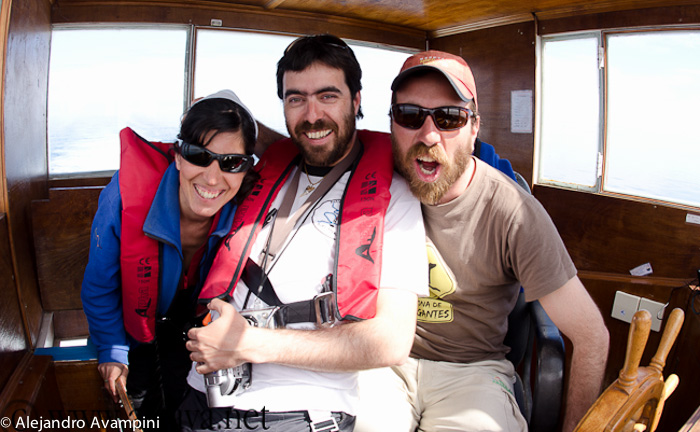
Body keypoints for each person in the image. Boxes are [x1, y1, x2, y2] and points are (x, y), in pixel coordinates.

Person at [178, 35, 428, 432]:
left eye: (328, 96)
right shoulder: (256, 174)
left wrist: (248, 344)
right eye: (296, 99)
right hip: (202, 392)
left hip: (299, 414)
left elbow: (392, 340)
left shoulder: (393, 198)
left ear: (357, 101)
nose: (312, 115)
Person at [355, 51, 610, 432]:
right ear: (391, 124)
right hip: (383, 360)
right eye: (410, 115)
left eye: (449, 118)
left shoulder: (513, 212)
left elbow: (592, 337)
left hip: (473, 371)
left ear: (474, 128)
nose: (428, 135)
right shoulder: (368, 188)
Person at [81, 90, 260, 428]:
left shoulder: (250, 209)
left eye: (231, 162)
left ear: (245, 168)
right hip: (134, 330)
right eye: (198, 155)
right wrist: (112, 349)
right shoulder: (124, 197)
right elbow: (99, 284)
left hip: (196, 330)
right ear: (177, 156)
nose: (211, 177)